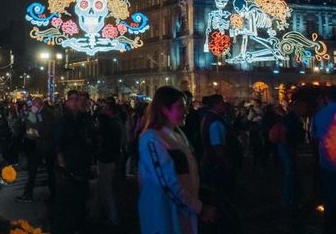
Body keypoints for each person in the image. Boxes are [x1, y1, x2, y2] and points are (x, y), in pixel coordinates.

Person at [139, 86, 214, 234]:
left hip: (183, 211)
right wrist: (200, 208)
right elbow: (167, 183)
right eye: (180, 107)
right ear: (164, 110)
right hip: (164, 215)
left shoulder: (178, 134)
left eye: (185, 106)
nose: (186, 111)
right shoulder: (152, 139)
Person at [52, 90, 92, 234]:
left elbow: (89, 140)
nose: (76, 102)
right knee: (67, 202)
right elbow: (57, 144)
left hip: (81, 165)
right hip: (68, 167)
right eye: (73, 99)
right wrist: (62, 163)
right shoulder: (63, 120)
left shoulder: (83, 119)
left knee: (80, 201)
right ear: (67, 101)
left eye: (78, 99)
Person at [16, 97, 56, 203]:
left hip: (46, 146)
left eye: (34, 105)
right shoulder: (39, 112)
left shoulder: (47, 113)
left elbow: (45, 130)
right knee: (33, 170)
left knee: (49, 172)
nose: (33, 107)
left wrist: (35, 130)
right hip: (39, 146)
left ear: (39, 104)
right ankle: (28, 194)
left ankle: (54, 195)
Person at [91, 98, 123, 226]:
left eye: (105, 109)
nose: (103, 110)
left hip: (107, 158)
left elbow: (107, 141)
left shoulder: (111, 124)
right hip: (110, 157)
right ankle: (95, 213)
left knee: (106, 188)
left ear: (110, 111)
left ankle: (113, 217)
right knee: (101, 187)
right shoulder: (116, 122)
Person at [201, 94, 237, 199]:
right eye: (222, 103)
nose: (225, 106)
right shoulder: (215, 122)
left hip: (211, 162)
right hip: (218, 165)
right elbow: (218, 147)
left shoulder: (208, 117)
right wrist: (228, 164)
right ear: (216, 105)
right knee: (222, 194)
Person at [313, 86, 336, 234]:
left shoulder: (319, 115)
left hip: (326, 162)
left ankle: (329, 224)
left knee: (329, 196)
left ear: (327, 97)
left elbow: (314, 138)